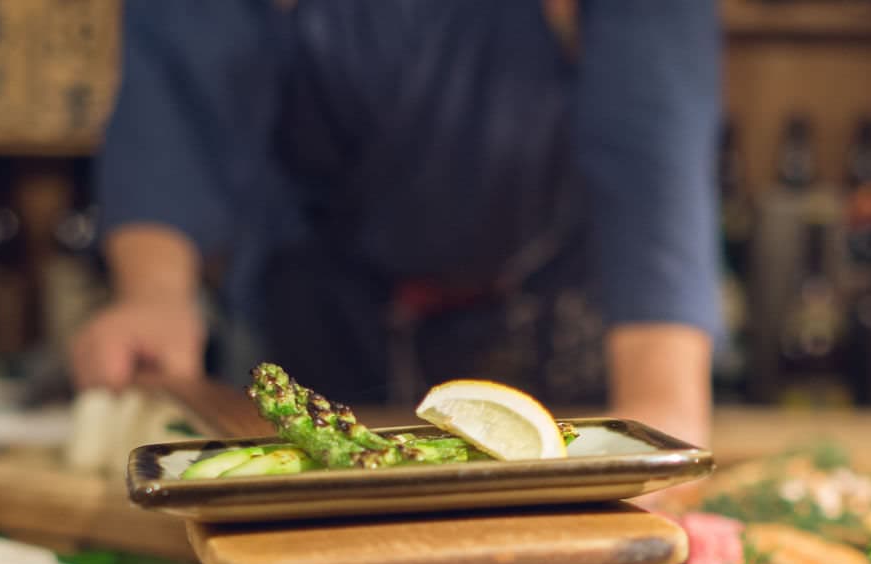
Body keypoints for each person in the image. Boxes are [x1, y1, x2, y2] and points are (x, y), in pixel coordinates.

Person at [69, 0, 724, 449]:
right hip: (318, 302)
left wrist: (660, 403)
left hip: (546, 311)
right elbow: (178, 75)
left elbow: (653, 120)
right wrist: (153, 292)